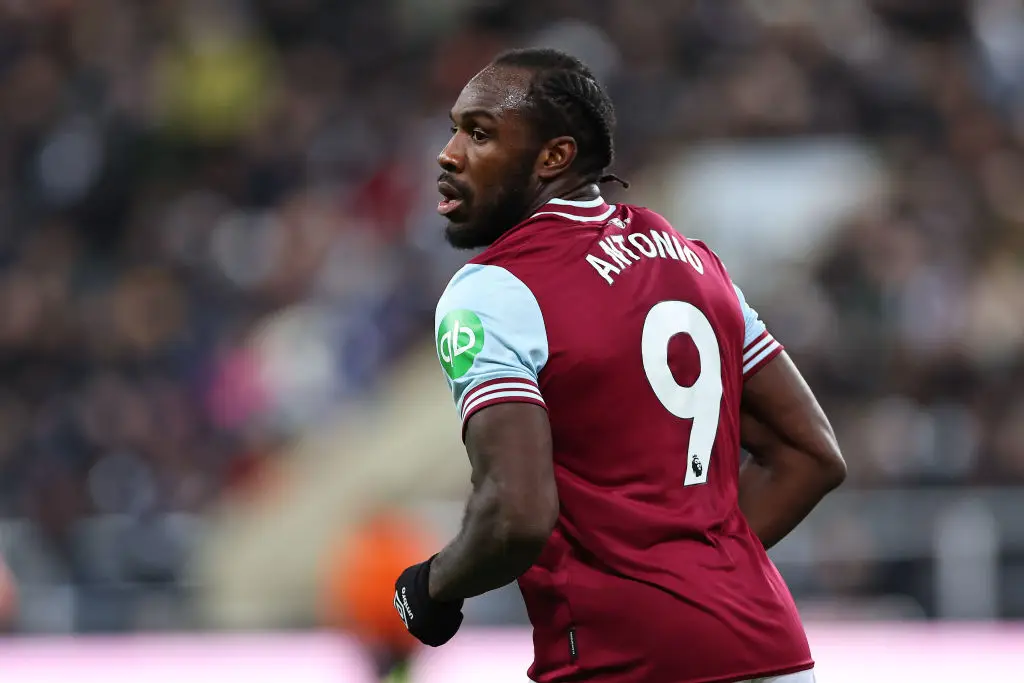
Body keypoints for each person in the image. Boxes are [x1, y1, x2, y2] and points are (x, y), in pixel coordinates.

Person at [393, 48, 846, 683]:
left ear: (554, 157)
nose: (449, 152)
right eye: (454, 128)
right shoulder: (694, 261)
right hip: (772, 649)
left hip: (626, 662)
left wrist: (432, 586)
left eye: (480, 133)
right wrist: (697, 570)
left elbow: (516, 514)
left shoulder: (494, 290)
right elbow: (812, 454)